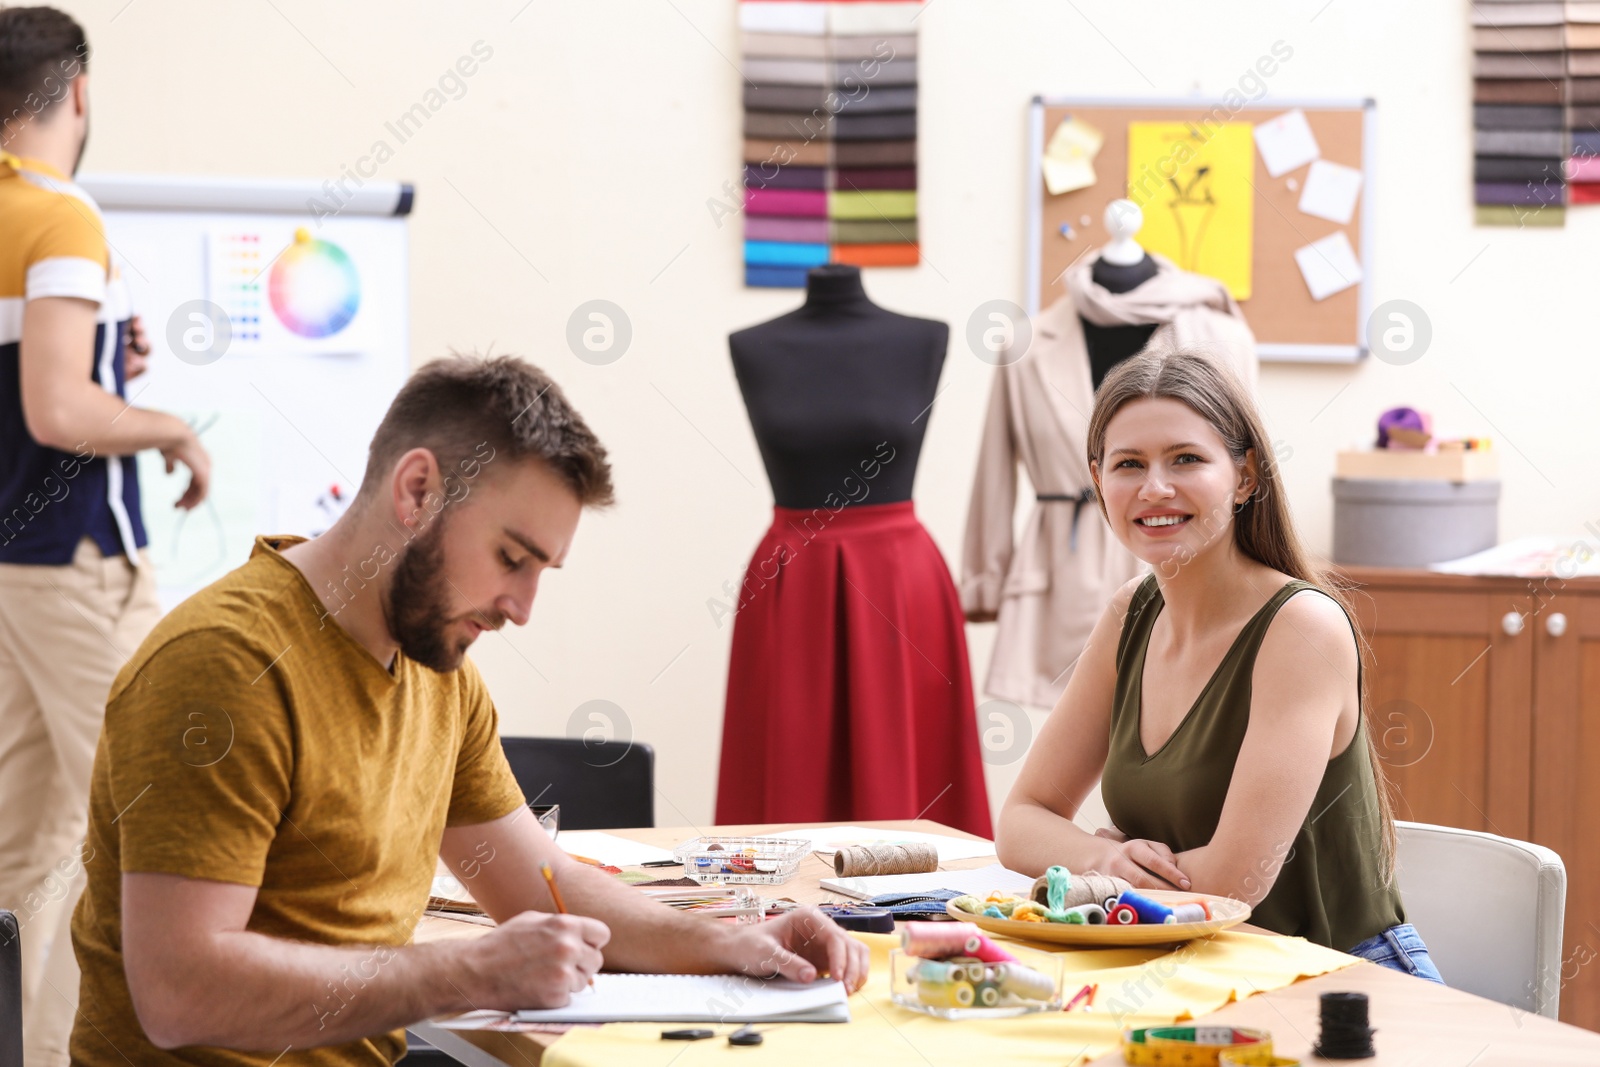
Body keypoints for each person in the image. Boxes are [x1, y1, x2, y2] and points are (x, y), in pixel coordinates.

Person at [69, 354, 869, 1067]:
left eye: (542, 570)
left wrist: (731, 944)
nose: (522, 607)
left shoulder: (436, 669)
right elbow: (179, 992)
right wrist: (467, 970)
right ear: (416, 490)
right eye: (511, 558)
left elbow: (542, 883)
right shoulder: (224, 668)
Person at [995, 347, 1443, 983]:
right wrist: (1108, 862)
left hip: (1336, 978)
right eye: (1129, 465)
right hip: (1190, 965)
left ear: (1245, 477)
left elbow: (1235, 885)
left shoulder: (1301, 628)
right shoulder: (1131, 615)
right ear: (1099, 484)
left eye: (1186, 459)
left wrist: (1094, 872)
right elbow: (1020, 822)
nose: (1155, 487)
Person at [0, 8, 211, 1065]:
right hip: (75, 563)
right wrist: (170, 425)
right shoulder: (59, 217)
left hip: (12, 568)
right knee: (136, 820)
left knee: (23, 842)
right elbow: (56, 413)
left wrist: (99, 365)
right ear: (75, 92)